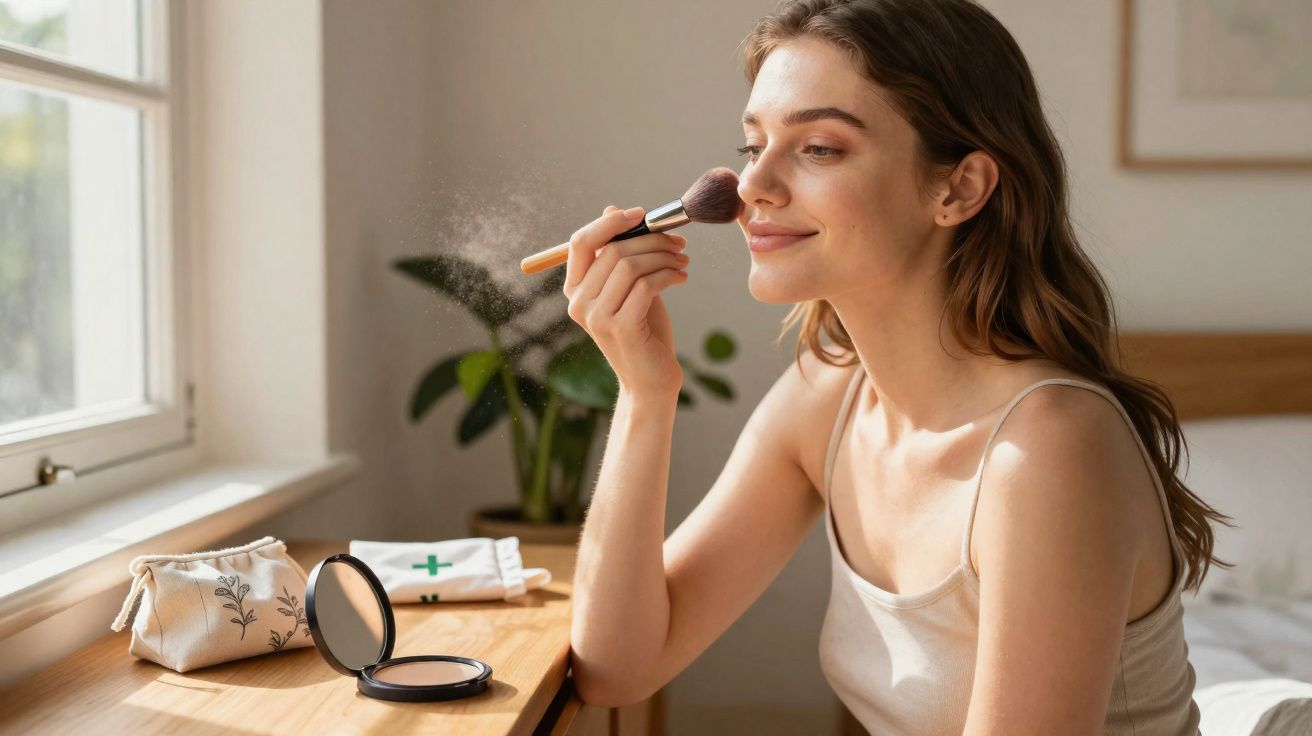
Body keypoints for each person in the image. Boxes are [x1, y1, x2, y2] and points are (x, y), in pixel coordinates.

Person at [563, 1, 1228, 733]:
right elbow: (616, 668)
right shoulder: (827, 399)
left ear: (959, 188)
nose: (754, 186)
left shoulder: (1046, 449)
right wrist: (644, 392)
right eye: (754, 146)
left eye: (819, 148)